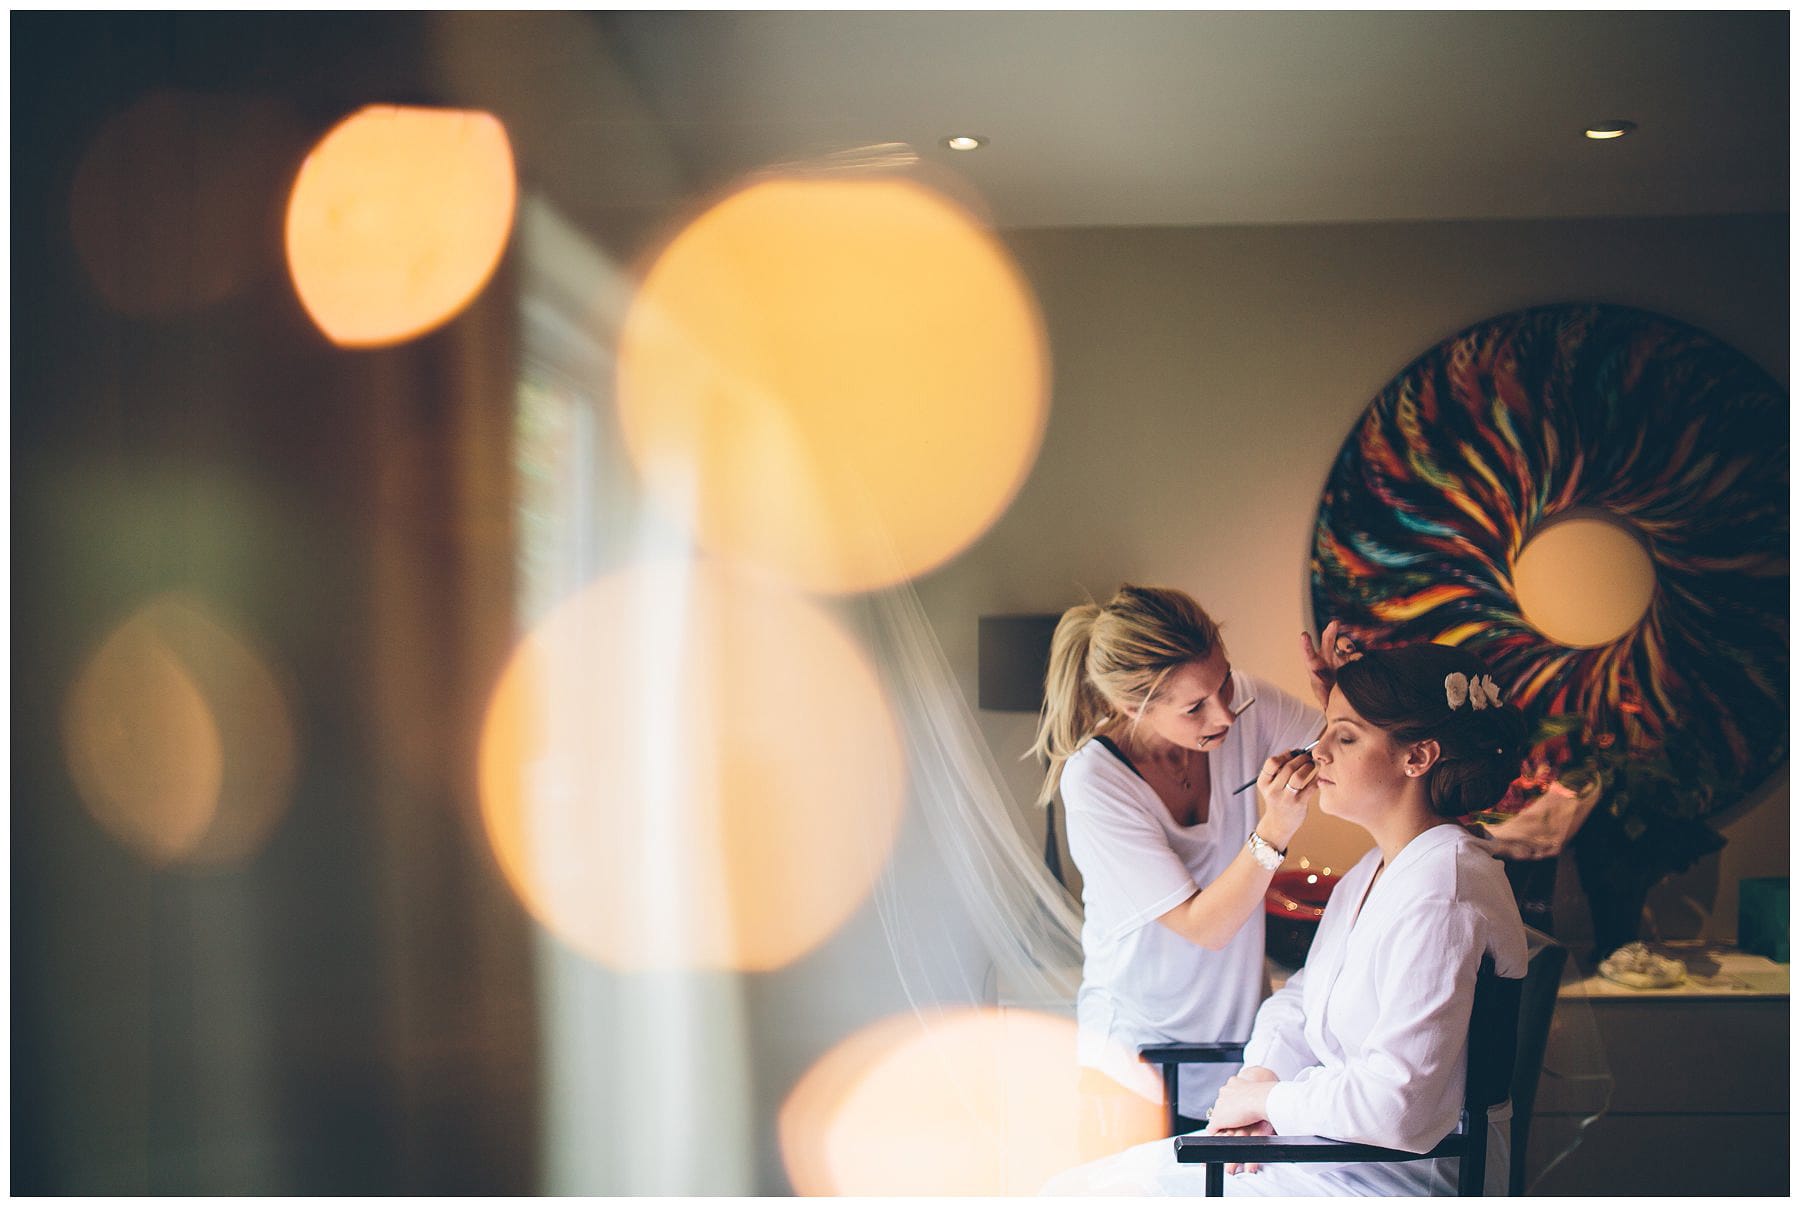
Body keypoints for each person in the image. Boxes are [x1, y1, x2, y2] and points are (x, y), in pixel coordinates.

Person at [1042, 643, 1530, 1196]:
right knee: (1075, 1188)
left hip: (1390, 1180)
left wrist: (1269, 1103)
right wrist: (1261, 1076)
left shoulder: (1442, 893)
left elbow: (1397, 1107)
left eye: (1344, 738)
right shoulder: (1374, 871)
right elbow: (1299, 1001)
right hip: (1329, 1154)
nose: (1316, 752)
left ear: (1416, 758)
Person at [1028, 585, 1350, 1157]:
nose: (1224, 713)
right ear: (1134, 707)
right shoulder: (1096, 780)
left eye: (1223, 681)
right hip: (1135, 1058)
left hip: (1234, 1049)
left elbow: (1341, 756)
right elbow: (1205, 927)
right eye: (1194, 706)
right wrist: (1274, 829)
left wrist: (1339, 704)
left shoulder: (1241, 705)